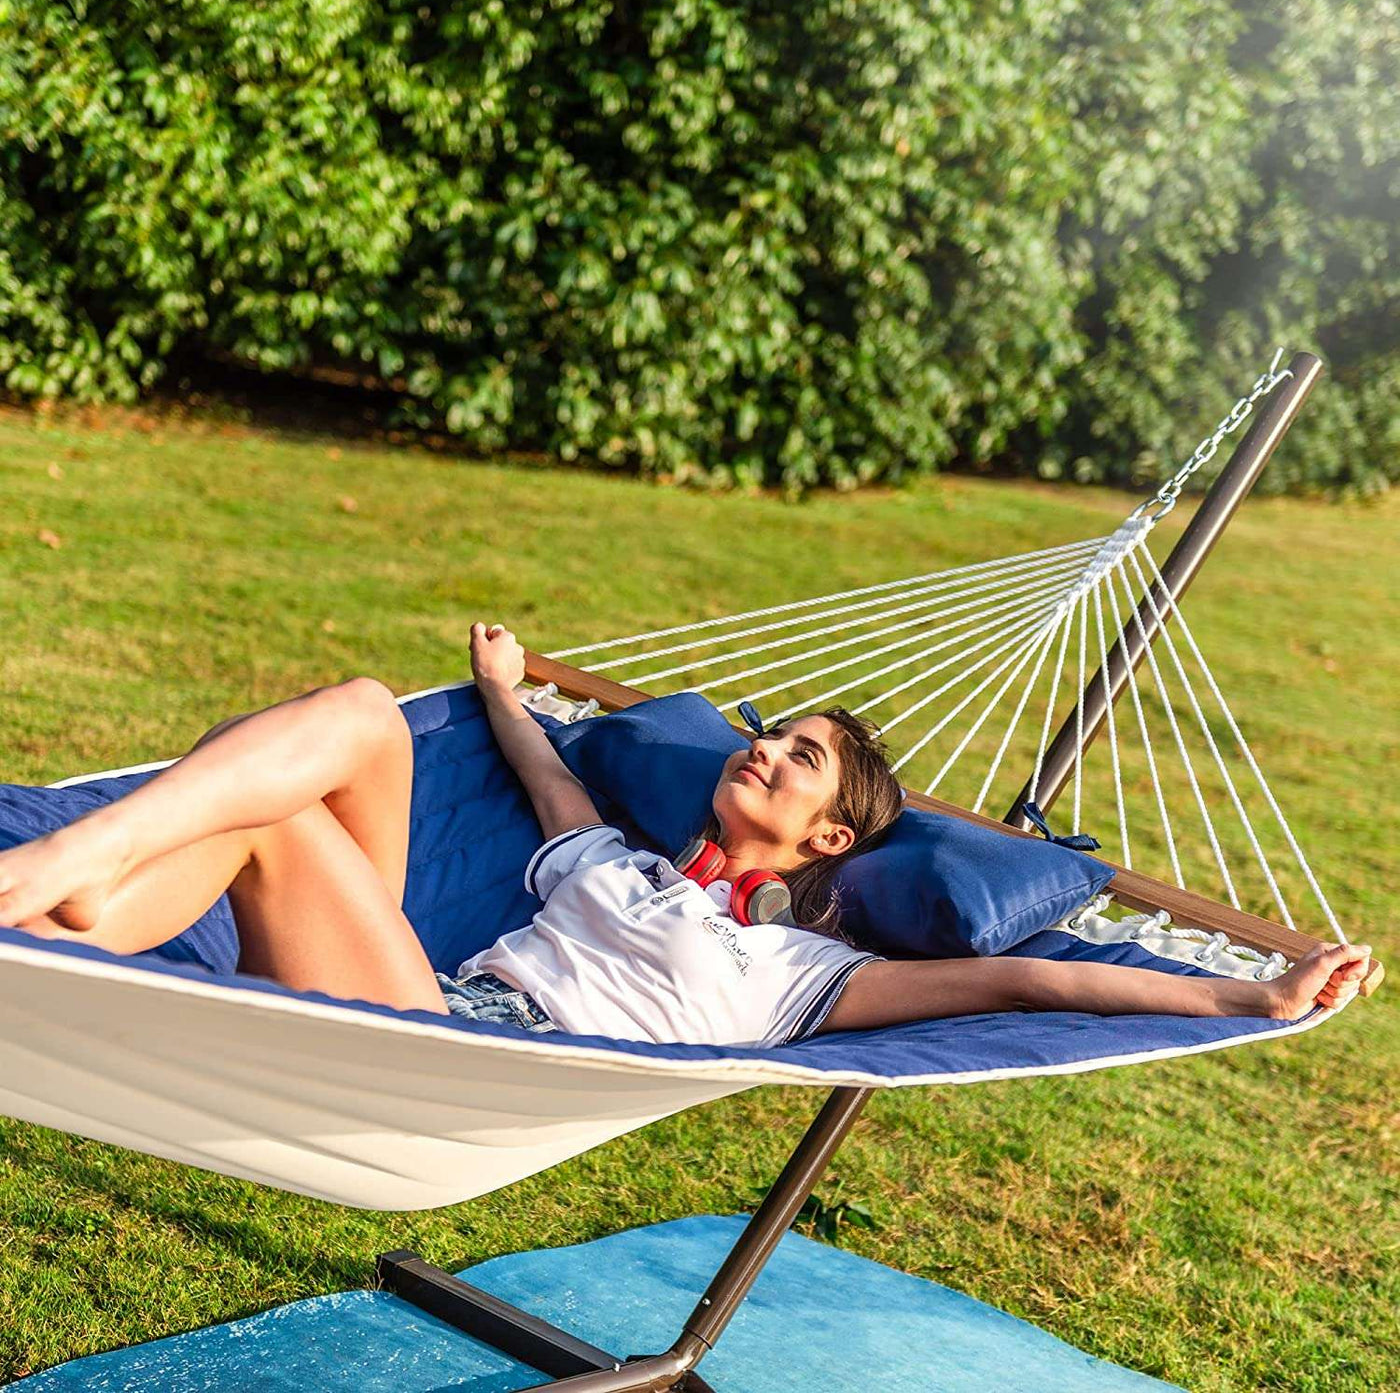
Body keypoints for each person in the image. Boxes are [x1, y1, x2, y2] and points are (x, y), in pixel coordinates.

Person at [0, 622, 1370, 1044]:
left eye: (803, 757)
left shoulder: (801, 978)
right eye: (769, 738)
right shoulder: (614, 857)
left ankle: (51, 879)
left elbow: (1033, 975)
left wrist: (1250, 988)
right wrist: (497, 686)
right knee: (363, 715)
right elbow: (542, 767)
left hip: (462, 1050)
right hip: (410, 979)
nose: (766, 748)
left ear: (833, 841)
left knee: (287, 826)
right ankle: (57, 908)